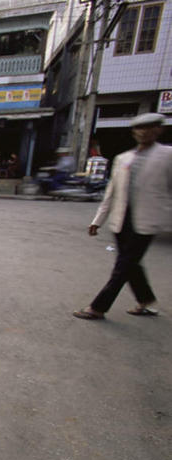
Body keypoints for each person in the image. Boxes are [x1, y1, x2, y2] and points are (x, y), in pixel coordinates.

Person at [73, 112, 172, 320]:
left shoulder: (167, 155)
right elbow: (112, 192)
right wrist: (97, 221)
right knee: (130, 264)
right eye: (139, 128)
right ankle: (146, 301)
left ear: (159, 129)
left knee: (124, 265)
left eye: (150, 127)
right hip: (122, 220)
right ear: (134, 132)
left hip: (147, 221)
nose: (144, 132)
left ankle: (98, 307)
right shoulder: (123, 159)